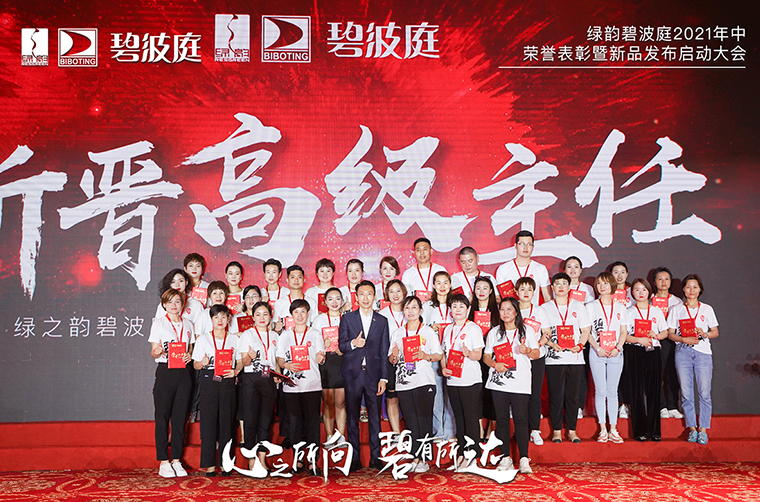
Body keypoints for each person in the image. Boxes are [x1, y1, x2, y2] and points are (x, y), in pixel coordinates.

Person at [483, 297, 540, 474]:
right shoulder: (494, 332)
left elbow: (537, 353)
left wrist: (527, 351)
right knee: (501, 421)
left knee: (521, 419)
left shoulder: (527, 331)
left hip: (520, 382)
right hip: (499, 383)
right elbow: (486, 356)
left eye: (509, 309)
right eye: (502, 309)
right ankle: (505, 457)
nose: (505, 313)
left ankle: (524, 458)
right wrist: (495, 364)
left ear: (516, 311)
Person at [339, 280, 390, 471]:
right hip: (352, 374)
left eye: (369, 294)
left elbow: (384, 350)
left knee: (375, 417)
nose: (365, 298)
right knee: (352, 417)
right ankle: (354, 458)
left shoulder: (382, 321)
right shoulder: (347, 319)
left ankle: (376, 457)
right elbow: (341, 345)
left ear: (374, 296)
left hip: (373, 376)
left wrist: (383, 378)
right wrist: (354, 343)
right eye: (362, 294)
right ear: (356, 297)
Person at [388, 295, 443, 473]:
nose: (410, 311)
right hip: (404, 383)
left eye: (414, 307)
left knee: (424, 420)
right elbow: (392, 360)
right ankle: (415, 457)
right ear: (403, 311)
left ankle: (424, 459)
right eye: (407, 308)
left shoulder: (427, 332)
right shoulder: (398, 333)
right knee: (411, 421)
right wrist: (394, 355)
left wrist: (425, 356)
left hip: (424, 381)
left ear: (420, 310)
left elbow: (439, 355)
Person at [668, 274, 719, 445]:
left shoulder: (707, 309)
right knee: (686, 392)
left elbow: (715, 332)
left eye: (695, 287)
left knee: (704, 392)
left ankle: (703, 430)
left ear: (700, 290)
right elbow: (670, 334)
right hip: (682, 352)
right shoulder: (676, 309)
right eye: (688, 287)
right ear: (683, 289)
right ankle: (692, 428)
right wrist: (683, 339)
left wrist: (705, 334)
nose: (691, 290)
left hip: (703, 352)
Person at [276, 299, 326, 473]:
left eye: (303, 312)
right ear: (291, 315)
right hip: (291, 386)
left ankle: (312, 460)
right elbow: (280, 358)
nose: (299, 315)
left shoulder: (315, 334)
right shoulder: (285, 335)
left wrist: (320, 358)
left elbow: (321, 355)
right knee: (294, 424)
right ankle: (298, 460)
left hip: (312, 384)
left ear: (308, 313)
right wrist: (286, 365)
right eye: (296, 312)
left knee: (313, 424)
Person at [148, 289, 194, 478]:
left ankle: (176, 459)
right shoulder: (159, 323)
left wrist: (189, 355)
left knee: (180, 419)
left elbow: (191, 347)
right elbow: (153, 351)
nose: (174, 305)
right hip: (165, 372)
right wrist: (157, 351)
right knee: (162, 417)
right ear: (164, 304)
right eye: (170, 302)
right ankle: (163, 461)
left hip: (184, 373)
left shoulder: (188, 324)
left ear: (182, 304)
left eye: (177, 301)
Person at [542, 273, 591, 444]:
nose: (561, 287)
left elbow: (585, 330)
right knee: (556, 396)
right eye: (557, 284)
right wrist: (551, 344)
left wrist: (580, 345)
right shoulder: (545, 308)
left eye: (564, 283)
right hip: (554, 358)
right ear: (552, 287)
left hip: (575, 357)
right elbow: (543, 332)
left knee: (573, 396)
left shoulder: (579, 306)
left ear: (569, 287)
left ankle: (572, 430)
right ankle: (556, 431)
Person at [192, 304, 241, 476]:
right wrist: (202, 363)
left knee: (227, 424)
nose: (220, 320)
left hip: (228, 381)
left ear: (228, 319)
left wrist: (236, 371)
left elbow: (240, 360)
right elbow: (195, 364)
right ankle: (210, 464)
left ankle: (226, 463)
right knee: (208, 424)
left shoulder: (234, 339)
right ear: (211, 320)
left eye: (223, 317)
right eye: (216, 317)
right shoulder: (203, 339)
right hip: (209, 380)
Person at [442, 293, 485, 467]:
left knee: (470, 417)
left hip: (470, 380)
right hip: (453, 379)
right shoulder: (448, 329)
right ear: (450, 310)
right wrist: (444, 368)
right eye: (454, 306)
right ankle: (461, 452)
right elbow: (444, 354)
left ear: (467, 309)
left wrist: (469, 353)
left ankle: (472, 453)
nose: (458, 310)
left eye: (461, 306)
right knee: (458, 417)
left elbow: (478, 355)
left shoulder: (473, 328)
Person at [586, 272, 628, 444]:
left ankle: (613, 429)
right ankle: (603, 428)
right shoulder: (590, 306)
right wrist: (597, 348)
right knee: (600, 390)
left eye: (605, 283)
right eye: (599, 283)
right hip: (597, 352)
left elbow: (623, 332)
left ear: (612, 285)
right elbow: (586, 332)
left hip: (616, 352)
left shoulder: (621, 307)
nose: (602, 286)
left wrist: (618, 347)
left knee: (612, 391)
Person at [237, 301, 280, 470]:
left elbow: (276, 360)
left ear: (270, 316)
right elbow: (244, 362)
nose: (262, 318)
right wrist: (249, 356)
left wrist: (278, 374)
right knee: (250, 419)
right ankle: (251, 459)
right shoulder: (247, 335)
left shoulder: (275, 336)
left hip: (269, 379)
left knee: (266, 420)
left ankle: (262, 458)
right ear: (253, 317)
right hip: (251, 379)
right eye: (258, 314)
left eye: (265, 314)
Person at [626, 278, 669, 441]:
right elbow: (624, 336)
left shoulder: (656, 311)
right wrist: (638, 339)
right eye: (637, 290)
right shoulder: (628, 312)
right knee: (636, 392)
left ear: (649, 292)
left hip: (653, 351)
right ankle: (640, 432)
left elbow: (665, 332)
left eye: (644, 289)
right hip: (635, 351)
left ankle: (655, 431)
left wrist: (656, 336)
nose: (641, 293)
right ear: (632, 293)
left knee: (654, 391)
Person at [515, 277, 550, 446]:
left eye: (529, 289)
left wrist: (536, 346)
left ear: (534, 292)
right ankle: (519, 429)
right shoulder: (512, 309)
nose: (526, 293)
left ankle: (535, 430)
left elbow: (547, 333)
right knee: (518, 394)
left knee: (535, 394)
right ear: (516, 292)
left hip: (536, 356)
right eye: (522, 289)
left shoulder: (540, 310)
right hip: (517, 357)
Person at [422, 271, 456, 442]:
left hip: (454, 353)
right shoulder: (428, 306)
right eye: (438, 283)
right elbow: (421, 329)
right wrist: (430, 327)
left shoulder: (456, 303)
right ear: (434, 286)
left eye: (445, 283)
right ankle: (438, 431)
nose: (442, 286)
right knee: (437, 394)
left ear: (450, 285)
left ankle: (450, 431)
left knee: (452, 392)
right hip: (434, 353)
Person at [311, 287, 346, 442]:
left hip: (343, 362)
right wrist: (322, 344)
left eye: (338, 298)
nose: (334, 302)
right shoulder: (319, 320)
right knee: (328, 402)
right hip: (326, 363)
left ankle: (341, 436)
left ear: (342, 301)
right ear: (325, 302)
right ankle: (330, 435)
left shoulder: (347, 318)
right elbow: (312, 343)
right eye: (330, 299)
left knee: (340, 402)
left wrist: (344, 348)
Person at [467, 276, 499, 440]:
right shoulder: (468, 311)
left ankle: (491, 429)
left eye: (485, 288)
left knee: (493, 392)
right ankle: (479, 427)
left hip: (492, 357)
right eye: (478, 288)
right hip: (474, 358)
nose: (481, 291)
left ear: (491, 291)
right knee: (476, 392)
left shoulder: (498, 311)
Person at [565, 256, 595, 421]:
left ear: (581, 270)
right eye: (569, 266)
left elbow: (590, 311)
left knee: (581, 374)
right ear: (564, 270)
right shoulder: (560, 286)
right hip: (563, 334)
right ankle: (564, 406)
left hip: (582, 334)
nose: (573, 270)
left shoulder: (587, 289)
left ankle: (578, 406)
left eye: (576, 266)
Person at [651, 266, 684, 419]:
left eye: (666, 279)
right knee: (656, 374)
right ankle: (661, 406)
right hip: (654, 340)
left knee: (672, 373)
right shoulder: (649, 299)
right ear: (654, 282)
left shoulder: (677, 302)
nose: (663, 282)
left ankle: (672, 406)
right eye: (660, 279)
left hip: (672, 341)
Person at [378, 279, 408, 435]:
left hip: (410, 359)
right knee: (391, 396)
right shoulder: (381, 315)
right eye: (391, 291)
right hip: (389, 360)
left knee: (409, 396)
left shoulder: (410, 310)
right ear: (386, 295)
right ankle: (396, 432)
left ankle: (412, 431)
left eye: (398, 291)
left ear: (404, 292)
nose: (395, 294)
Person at [495, 230, 552, 305]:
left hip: (532, 311)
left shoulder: (540, 268)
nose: (525, 247)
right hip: (511, 311)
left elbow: (547, 298)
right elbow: (499, 298)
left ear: (533, 247)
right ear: (515, 246)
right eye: (522, 244)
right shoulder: (503, 269)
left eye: (529, 244)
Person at [401, 237, 447, 302]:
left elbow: (448, 292)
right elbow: (404, 297)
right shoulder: (408, 274)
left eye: (425, 249)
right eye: (418, 250)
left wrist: (435, 297)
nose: (422, 253)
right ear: (414, 253)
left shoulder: (440, 270)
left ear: (431, 251)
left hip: (437, 306)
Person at [273, 265, 317, 331]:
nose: (296, 280)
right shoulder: (279, 303)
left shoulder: (311, 302)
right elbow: (276, 329)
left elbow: (314, 326)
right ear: (287, 280)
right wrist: (277, 329)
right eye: (293, 277)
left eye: (299, 277)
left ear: (304, 280)